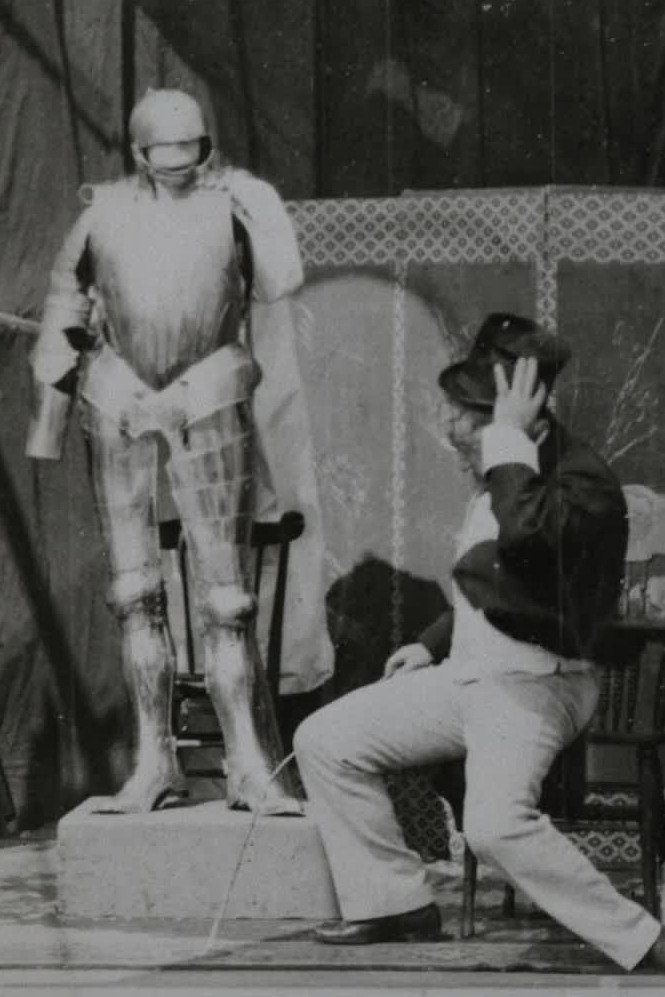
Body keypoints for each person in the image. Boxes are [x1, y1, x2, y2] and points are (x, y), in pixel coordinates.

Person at [294, 312, 665, 971]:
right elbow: (491, 573)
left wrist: (507, 442)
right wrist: (431, 643)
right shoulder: (506, 469)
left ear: (522, 409)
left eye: (476, 417)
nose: (463, 433)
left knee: (494, 825)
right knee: (324, 740)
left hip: (537, 685)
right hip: (468, 677)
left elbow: (526, 544)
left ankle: (640, 938)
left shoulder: (580, 483)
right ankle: (392, 900)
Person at [26, 88, 331, 816]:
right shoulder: (103, 214)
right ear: (138, 153)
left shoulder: (230, 205)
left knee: (227, 599)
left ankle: (248, 764)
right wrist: (50, 420)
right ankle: (152, 762)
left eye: (187, 150)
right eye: (163, 153)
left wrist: (258, 209)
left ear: (205, 148)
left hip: (211, 391)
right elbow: (65, 306)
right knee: (134, 594)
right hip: (118, 396)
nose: (176, 164)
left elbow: (281, 280)